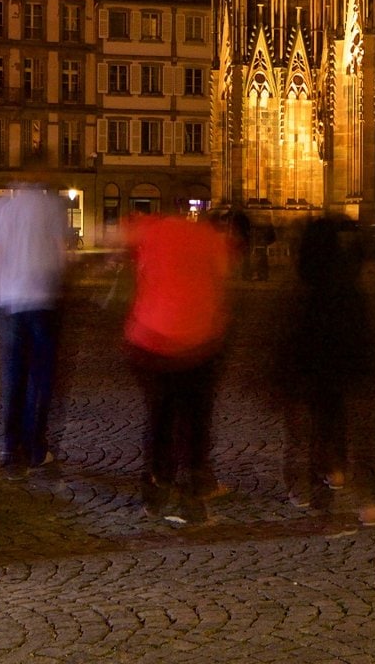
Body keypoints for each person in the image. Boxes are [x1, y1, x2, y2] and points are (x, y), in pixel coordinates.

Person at [122, 207, 234, 526]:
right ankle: (192, 495)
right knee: (195, 423)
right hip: (197, 340)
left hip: (151, 338)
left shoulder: (149, 229)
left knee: (160, 418)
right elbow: (222, 278)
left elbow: (125, 251)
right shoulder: (209, 236)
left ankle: (156, 491)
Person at [281, 215, 375, 524]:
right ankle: (366, 498)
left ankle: (322, 493)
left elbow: (292, 327)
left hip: (317, 362)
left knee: (318, 425)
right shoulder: (350, 279)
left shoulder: (307, 279)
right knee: (358, 427)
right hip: (349, 359)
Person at [0, 181, 75, 473]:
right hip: (42, 300)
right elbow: (60, 256)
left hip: (7, 301)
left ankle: (10, 448)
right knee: (41, 379)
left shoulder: (1, 208)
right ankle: (34, 447)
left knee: (13, 376)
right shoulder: (51, 208)